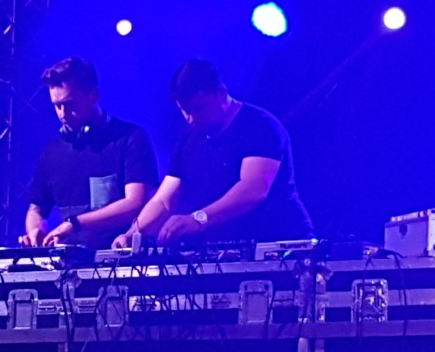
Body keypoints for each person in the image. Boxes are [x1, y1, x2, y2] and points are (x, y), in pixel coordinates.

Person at [113, 58, 313, 248]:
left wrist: (199, 218)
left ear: (221, 93)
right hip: (230, 250)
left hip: (280, 244)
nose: (191, 118)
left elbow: (253, 189)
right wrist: (134, 233)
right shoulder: (188, 142)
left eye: (199, 108)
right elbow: (164, 200)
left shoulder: (260, 127)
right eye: (184, 110)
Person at [22, 57, 158, 249]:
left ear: (93, 96)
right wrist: (35, 230)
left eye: (70, 104)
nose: (62, 114)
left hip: (119, 255)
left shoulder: (130, 138)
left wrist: (75, 223)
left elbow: (135, 201)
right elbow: (36, 208)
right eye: (57, 106)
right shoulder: (51, 151)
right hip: (67, 259)